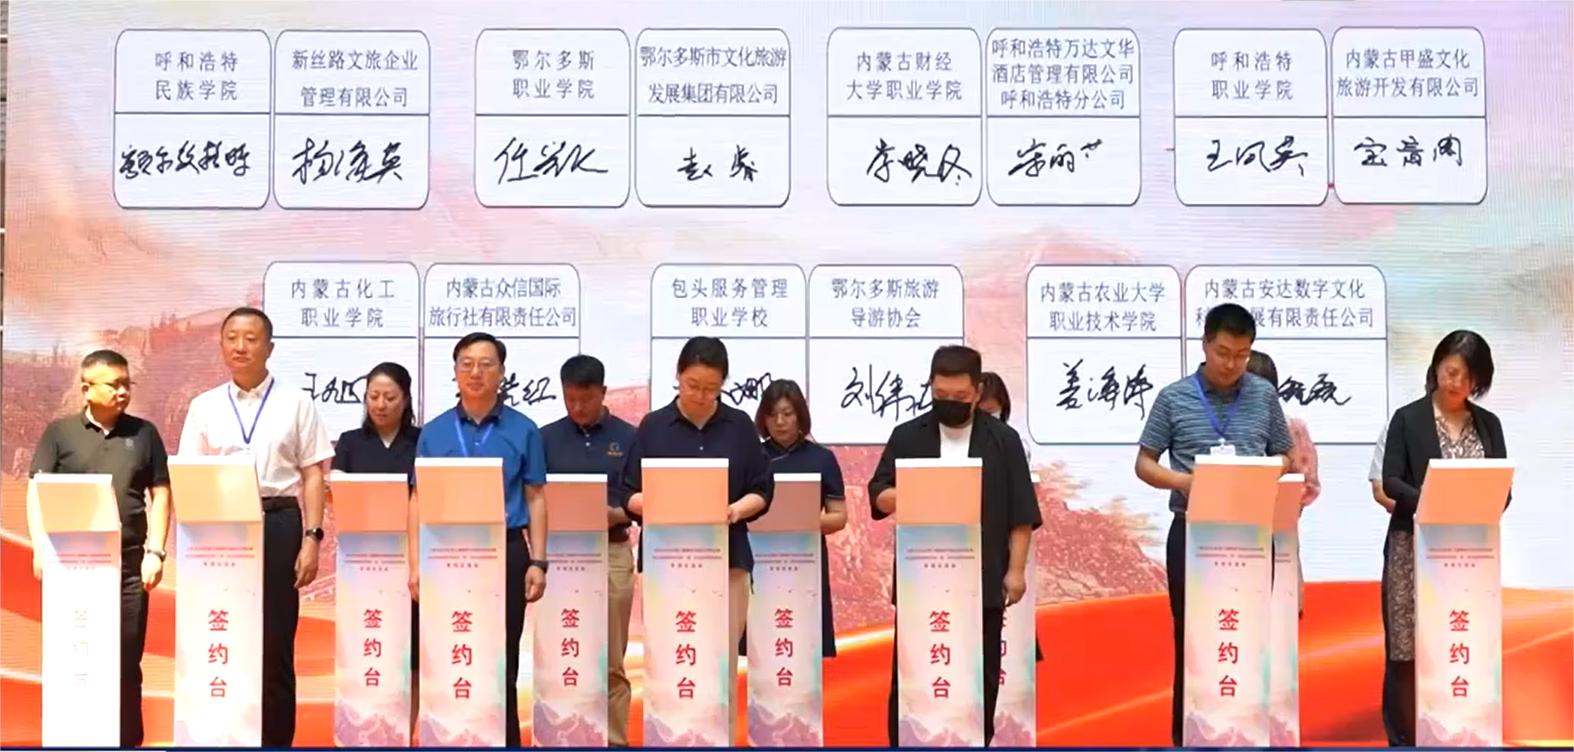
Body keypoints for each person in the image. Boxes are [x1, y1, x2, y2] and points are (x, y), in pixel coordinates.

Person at [1134, 303, 1291, 747]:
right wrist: (1185, 482)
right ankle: (1188, 737)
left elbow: (1284, 454)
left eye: (1242, 355)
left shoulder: (1264, 395)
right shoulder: (1174, 397)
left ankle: (1248, 733)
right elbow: (1144, 463)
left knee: (1249, 633)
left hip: (1250, 536)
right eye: (1223, 352)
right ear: (1204, 345)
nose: (1231, 364)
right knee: (1192, 638)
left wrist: (1261, 472)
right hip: (1192, 532)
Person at [868, 345, 1042, 746]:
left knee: (979, 677)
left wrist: (1016, 571)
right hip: (921, 583)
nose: (950, 402)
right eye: (940, 395)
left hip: (982, 579)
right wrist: (911, 492)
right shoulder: (908, 435)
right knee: (913, 677)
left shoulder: (1003, 440)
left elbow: (1021, 514)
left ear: (977, 391)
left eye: (959, 396)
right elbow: (879, 494)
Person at [178, 307, 334, 747]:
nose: (240, 346)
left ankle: (275, 741)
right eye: (231, 337)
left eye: (251, 338)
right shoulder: (204, 406)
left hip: (278, 521)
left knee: (275, 639)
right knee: (223, 630)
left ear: (270, 347)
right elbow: (190, 474)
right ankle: (222, 735)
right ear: (221, 345)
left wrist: (313, 538)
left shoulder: (296, 402)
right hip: (221, 529)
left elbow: (313, 474)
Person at [619, 336, 771, 743]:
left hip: (727, 559)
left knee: (719, 661)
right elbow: (627, 492)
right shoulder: (654, 426)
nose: (701, 395)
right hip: (667, 565)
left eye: (711, 388)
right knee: (671, 655)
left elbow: (763, 489)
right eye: (692, 385)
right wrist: (659, 503)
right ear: (678, 376)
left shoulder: (739, 426)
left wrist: (735, 510)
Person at [409, 332, 548, 748]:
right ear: (454, 371)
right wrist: (415, 564)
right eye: (466, 364)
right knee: (449, 650)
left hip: (504, 550)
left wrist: (539, 561)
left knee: (500, 657)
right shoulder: (434, 432)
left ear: (502, 372)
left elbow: (536, 497)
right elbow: (418, 499)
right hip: (445, 555)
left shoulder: (524, 430)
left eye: (486, 364)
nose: (476, 372)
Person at [28, 349, 171, 748]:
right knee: (74, 656)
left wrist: (155, 551)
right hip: (71, 565)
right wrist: (39, 547)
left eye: (127, 384)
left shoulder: (144, 434)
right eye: (114, 384)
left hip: (127, 567)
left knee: (125, 659)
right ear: (87, 388)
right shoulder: (59, 433)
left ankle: (127, 742)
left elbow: (161, 492)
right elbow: (36, 491)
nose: (123, 391)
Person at [1379, 330, 1507, 748]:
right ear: (1436, 368)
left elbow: (1502, 488)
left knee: (1464, 638)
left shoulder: (1489, 425)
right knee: (1406, 645)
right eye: (1451, 372)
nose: (1457, 383)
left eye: (1468, 377)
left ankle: (1465, 732)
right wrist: (1435, 501)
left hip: (1470, 554)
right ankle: (1404, 738)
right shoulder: (1408, 418)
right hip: (1412, 548)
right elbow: (1391, 480)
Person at [538, 354, 638, 747]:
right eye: (570, 399)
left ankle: (615, 740)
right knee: (562, 651)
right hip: (559, 557)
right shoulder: (545, 438)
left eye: (586, 399)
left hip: (611, 550)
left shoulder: (629, 438)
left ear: (603, 392)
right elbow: (533, 497)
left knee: (610, 658)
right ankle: (559, 735)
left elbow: (643, 500)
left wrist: (615, 512)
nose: (578, 407)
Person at [331, 362, 420, 737]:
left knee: (409, 652)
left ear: (406, 400)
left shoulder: (421, 441)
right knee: (366, 642)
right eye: (373, 396)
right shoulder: (351, 442)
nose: (380, 405)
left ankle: (405, 732)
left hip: (408, 557)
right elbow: (336, 494)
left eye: (390, 397)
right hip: (362, 561)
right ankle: (363, 730)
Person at [752, 379, 847, 659]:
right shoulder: (754, 457)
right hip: (761, 562)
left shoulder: (822, 458)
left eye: (787, 413)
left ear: (800, 416)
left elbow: (839, 517)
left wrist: (800, 522)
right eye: (772, 415)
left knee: (805, 644)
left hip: (807, 561)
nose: (780, 422)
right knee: (763, 645)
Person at [1246, 350, 1319, 615]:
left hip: (1280, 533)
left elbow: (1310, 485)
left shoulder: (1292, 428)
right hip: (1235, 538)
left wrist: (1281, 500)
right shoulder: (1226, 427)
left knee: (1281, 613)